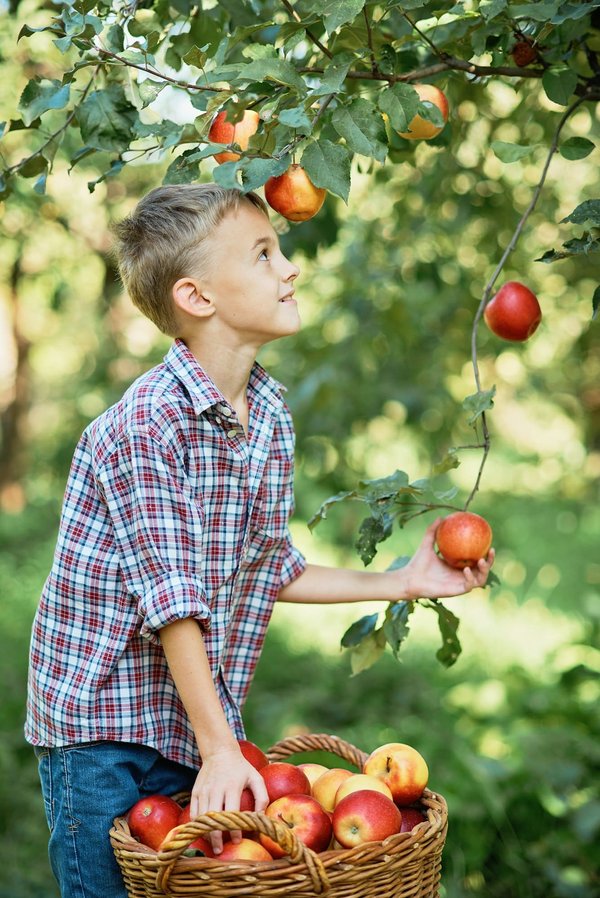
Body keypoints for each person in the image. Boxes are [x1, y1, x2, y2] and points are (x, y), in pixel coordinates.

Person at [25, 183, 494, 898]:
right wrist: (220, 749)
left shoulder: (269, 415)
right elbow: (173, 604)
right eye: (265, 254)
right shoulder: (145, 426)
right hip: (102, 734)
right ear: (199, 297)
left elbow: (269, 566)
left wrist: (404, 579)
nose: (291, 268)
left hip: (189, 724)